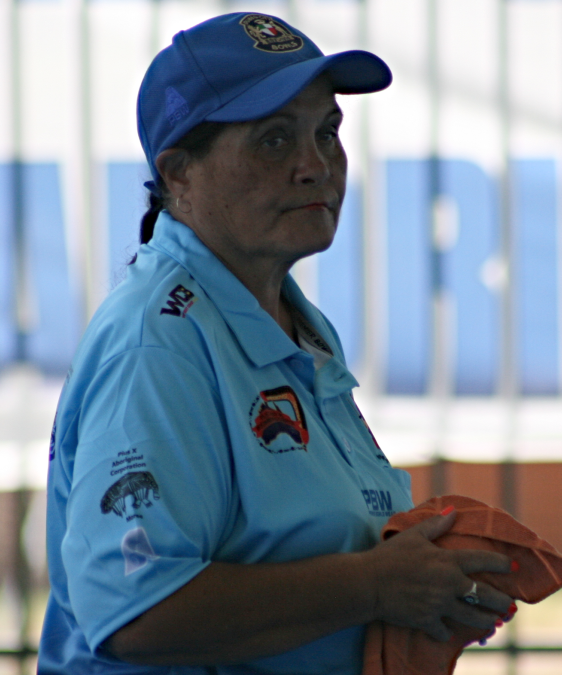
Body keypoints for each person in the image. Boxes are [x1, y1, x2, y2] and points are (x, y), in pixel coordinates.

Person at [38, 13, 515, 674]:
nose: (314, 166)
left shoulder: (287, 323)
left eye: (327, 132)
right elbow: (135, 612)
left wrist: (421, 576)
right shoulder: (159, 344)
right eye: (274, 140)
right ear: (179, 174)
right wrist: (376, 585)